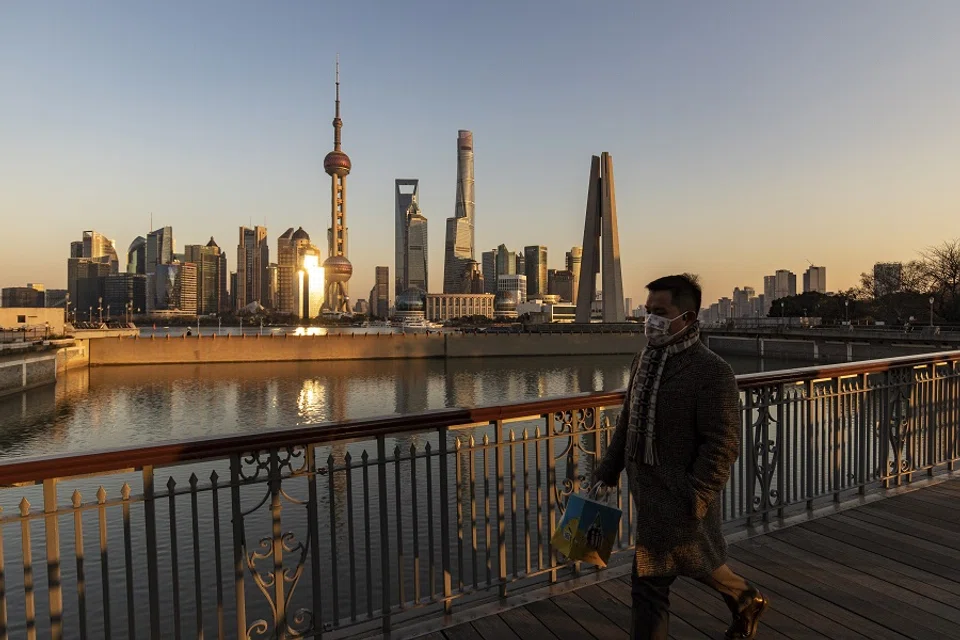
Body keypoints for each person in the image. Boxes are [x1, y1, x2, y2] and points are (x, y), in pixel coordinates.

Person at [594, 274, 768, 640]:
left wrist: (697, 495)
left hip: (681, 495)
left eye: (660, 312)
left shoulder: (712, 371)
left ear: (687, 318)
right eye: (647, 311)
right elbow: (628, 421)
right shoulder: (643, 360)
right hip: (648, 493)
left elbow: (723, 443)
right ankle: (744, 598)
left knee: (649, 582)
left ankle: (743, 599)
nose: (650, 320)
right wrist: (608, 470)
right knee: (692, 558)